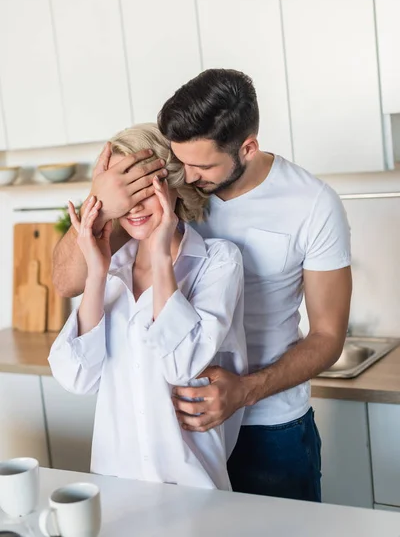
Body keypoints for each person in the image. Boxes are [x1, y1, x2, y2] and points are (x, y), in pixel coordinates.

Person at [53, 69, 352, 503]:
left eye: (201, 166)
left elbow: (328, 336)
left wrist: (244, 390)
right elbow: (68, 280)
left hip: (269, 423)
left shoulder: (312, 204)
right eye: (180, 163)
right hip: (176, 430)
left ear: (247, 147)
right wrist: (98, 200)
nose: (187, 177)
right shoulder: (168, 193)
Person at [49, 123, 247, 490]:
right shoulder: (112, 269)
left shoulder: (218, 262)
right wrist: (95, 275)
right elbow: (76, 377)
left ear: (174, 186)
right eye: (126, 196)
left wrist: (159, 255)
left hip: (194, 490)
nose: (135, 206)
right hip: (117, 488)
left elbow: (180, 363)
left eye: (148, 190)